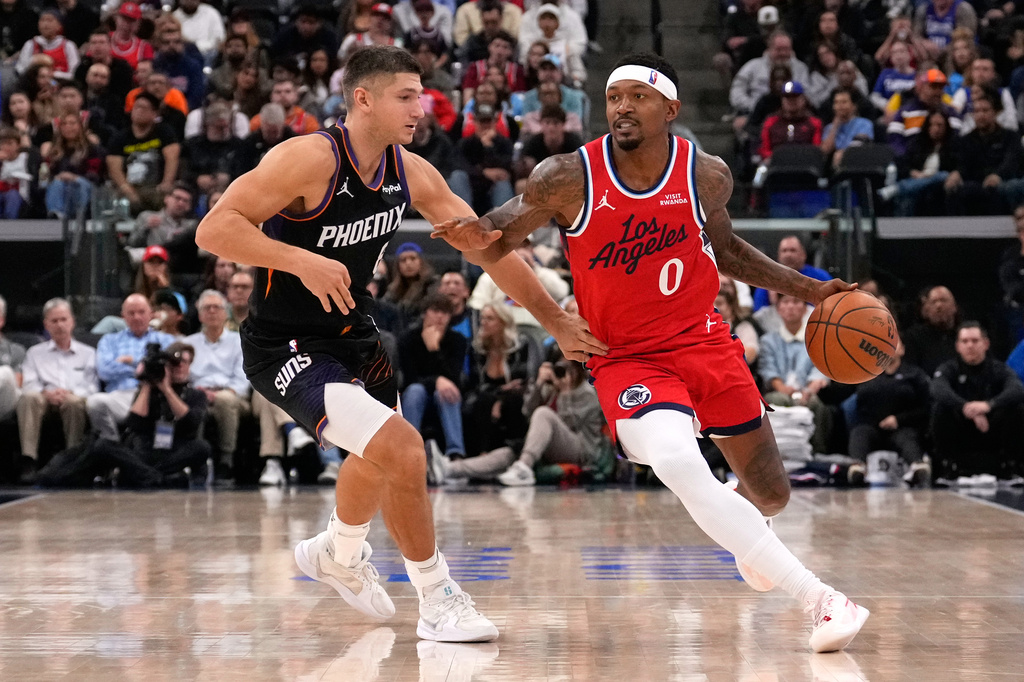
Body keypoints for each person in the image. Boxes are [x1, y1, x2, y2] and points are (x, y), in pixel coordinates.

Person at [432, 51, 869, 652]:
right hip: (626, 358)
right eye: (615, 97)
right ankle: (821, 599)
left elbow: (727, 251)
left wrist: (811, 289)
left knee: (771, 493)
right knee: (679, 461)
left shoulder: (706, 175)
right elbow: (495, 238)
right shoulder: (567, 176)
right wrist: (475, 237)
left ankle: (744, 526)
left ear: (670, 108)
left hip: (704, 341)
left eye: (638, 96)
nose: (623, 107)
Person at [196, 45, 601, 642]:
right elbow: (214, 229)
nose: (421, 108)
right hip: (284, 343)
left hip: (353, 333)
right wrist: (299, 260)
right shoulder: (307, 158)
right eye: (406, 96)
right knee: (405, 448)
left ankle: (339, 551)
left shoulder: (410, 171)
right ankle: (437, 599)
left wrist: (555, 319)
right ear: (363, 99)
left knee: (379, 457)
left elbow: (487, 249)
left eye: (421, 95)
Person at [15, 298, 98, 483]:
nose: (59, 325)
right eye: (54, 321)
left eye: (63, 319)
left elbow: (92, 386)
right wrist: (47, 394)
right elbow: (29, 383)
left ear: (72, 321)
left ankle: (72, 461)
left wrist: (69, 393)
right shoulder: (34, 353)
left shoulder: (88, 353)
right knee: (29, 397)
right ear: (46, 325)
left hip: (74, 399)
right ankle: (29, 460)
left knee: (74, 402)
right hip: (44, 400)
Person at [931, 322, 1024, 481]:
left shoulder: (998, 369)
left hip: (991, 426)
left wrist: (989, 405)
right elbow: (937, 389)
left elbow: (1017, 389)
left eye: (975, 341)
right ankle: (948, 467)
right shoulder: (949, 368)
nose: (970, 346)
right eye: (965, 341)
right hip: (962, 425)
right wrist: (965, 407)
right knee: (940, 408)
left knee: (1017, 408)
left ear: (986, 344)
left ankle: (1011, 467)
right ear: (958, 346)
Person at [87, 294, 176, 443]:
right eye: (131, 313)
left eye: (141, 312)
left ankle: (162, 452)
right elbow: (104, 371)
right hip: (121, 396)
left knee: (175, 405)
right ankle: (112, 447)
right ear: (123, 317)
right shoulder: (110, 340)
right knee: (95, 402)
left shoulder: (166, 340)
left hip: (156, 396)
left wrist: (131, 362)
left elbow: (169, 369)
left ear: (151, 314)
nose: (137, 317)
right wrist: (141, 370)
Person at [184, 289, 251, 475]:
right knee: (194, 401)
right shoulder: (188, 343)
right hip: (199, 392)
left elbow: (243, 378)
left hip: (233, 396)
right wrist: (199, 393)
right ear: (200, 315)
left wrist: (222, 393)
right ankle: (196, 461)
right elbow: (182, 376)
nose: (212, 311)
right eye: (207, 308)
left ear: (225, 313)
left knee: (224, 400)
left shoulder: (239, 341)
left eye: (217, 307)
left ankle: (226, 460)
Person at [848, 343, 932, 487]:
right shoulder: (865, 372)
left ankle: (917, 466)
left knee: (907, 438)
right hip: (871, 427)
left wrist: (899, 419)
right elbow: (842, 392)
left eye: (893, 342)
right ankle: (857, 468)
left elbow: (926, 407)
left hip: (902, 426)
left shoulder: (914, 374)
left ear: (902, 349)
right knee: (859, 432)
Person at [398, 293, 467, 459]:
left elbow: (454, 378)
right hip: (415, 393)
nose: (440, 316)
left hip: (443, 394)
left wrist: (434, 349)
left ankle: (455, 453)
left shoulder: (458, 340)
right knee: (416, 391)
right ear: (425, 313)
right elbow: (409, 379)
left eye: (445, 312)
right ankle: (408, 451)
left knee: (447, 391)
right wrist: (436, 380)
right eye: (435, 311)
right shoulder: (408, 339)